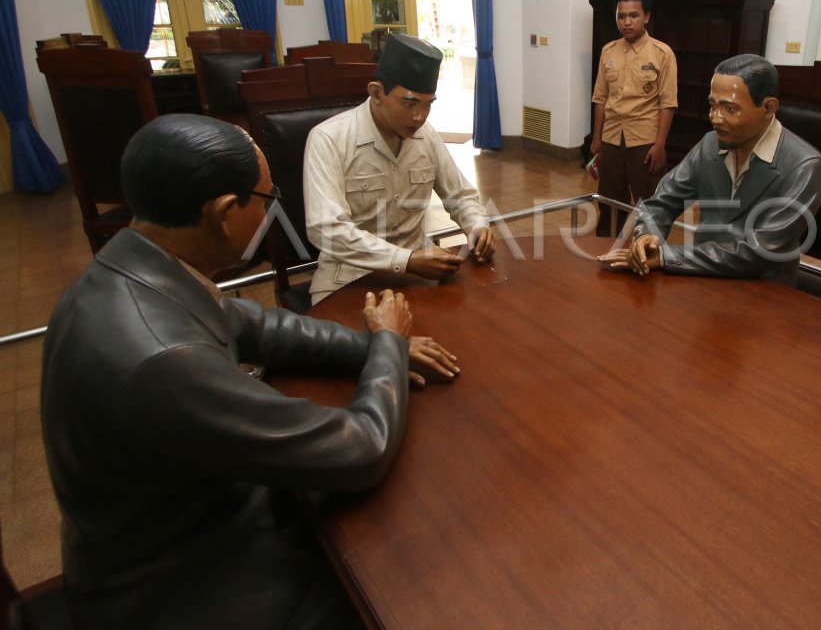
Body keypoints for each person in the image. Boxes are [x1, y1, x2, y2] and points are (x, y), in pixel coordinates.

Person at [41, 114, 458, 630]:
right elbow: (361, 448)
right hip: (186, 584)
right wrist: (389, 346)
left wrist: (370, 342)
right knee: (410, 591)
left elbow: (250, 322)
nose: (270, 211)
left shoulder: (131, 267)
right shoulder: (166, 361)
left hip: (166, 526)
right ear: (222, 212)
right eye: (265, 199)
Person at [598, 54, 821, 286]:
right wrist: (647, 237)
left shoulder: (807, 167)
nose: (715, 119)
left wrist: (667, 256)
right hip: (702, 278)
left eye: (729, 108)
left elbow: (758, 252)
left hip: (763, 292)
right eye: (712, 105)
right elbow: (661, 203)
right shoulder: (710, 144)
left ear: (768, 107)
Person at [304, 32, 496, 305]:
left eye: (428, 105)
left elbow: (461, 196)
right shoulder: (329, 139)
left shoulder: (426, 135)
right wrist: (404, 260)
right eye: (409, 104)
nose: (419, 117)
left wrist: (477, 226)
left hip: (418, 276)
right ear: (376, 92)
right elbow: (327, 230)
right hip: (349, 278)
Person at [590, 0, 678, 235]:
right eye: (621, 16)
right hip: (611, 140)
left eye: (633, 15)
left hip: (645, 142)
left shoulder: (662, 54)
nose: (626, 22)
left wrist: (660, 144)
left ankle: (648, 250)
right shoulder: (608, 51)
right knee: (609, 203)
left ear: (647, 16)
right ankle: (607, 251)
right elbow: (600, 98)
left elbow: (668, 103)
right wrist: (598, 138)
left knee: (649, 205)